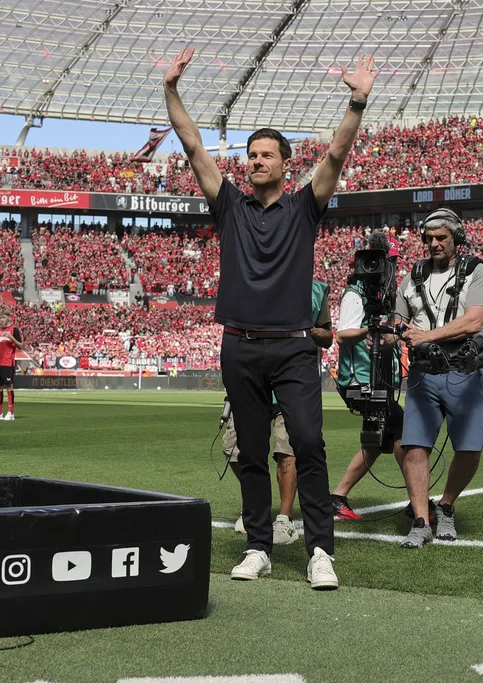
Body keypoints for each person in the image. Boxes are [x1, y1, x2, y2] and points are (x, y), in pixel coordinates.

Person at [164, 45, 379, 589]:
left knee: (308, 441)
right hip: (238, 344)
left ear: (285, 164)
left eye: (266, 155)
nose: (255, 161)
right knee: (251, 452)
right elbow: (192, 146)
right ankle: (258, 544)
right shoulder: (229, 205)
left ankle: (319, 550)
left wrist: (356, 102)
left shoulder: (305, 205)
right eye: (251, 155)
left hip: (292, 347)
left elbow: (334, 157)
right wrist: (171, 89)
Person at [395, 208, 483, 549]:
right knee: (415, 448)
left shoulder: (477, 271)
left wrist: (427, 335)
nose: (435, 244)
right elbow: (399, 317)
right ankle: (422, 521)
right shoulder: (413, 275)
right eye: (430, 238)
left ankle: (447, 504)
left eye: (442, 238)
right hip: (423, 374)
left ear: (457, 238)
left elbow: (474, 322)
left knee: (470, 449)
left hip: (463, 372)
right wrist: (392, 332)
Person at [224, 279, 334, 543]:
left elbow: (328, 336)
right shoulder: (256, 280)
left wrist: (305, 331)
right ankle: (257, 508)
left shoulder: (318, 288)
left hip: (293, 382)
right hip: (255, 382)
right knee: (233, 449)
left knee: (288, 452)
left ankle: (284, 519)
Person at [330, 236, 407, 521]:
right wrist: (371, 330)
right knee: (404, 433)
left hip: (377, 379)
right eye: (391, 262)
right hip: (361, 380)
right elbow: (342, 334)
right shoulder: (356, 293)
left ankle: (337, 498)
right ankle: (417, 500)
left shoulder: (380, 295)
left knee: (375, 442)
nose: (393, 268)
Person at [0, 309, 23, 421]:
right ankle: (0, 413)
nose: (1, 320)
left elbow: (21, 346)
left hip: (8, 362)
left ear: (9, 317)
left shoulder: (14, 330)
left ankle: (11, 413)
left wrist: (11, 338)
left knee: (9, 386)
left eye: (3, 318)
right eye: (0, 318)